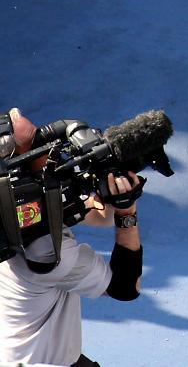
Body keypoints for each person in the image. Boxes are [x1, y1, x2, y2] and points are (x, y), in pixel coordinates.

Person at [0, 108, 144, 367]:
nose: (50, 149)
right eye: (38, 142)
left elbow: (98, 215)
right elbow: (126, 288)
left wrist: (106, 188)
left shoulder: (18, 212)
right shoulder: (48, 252)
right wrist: (127, 211)